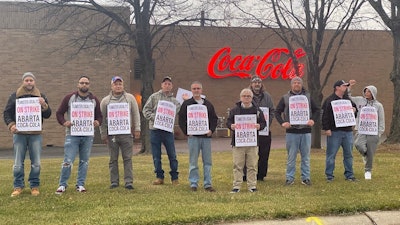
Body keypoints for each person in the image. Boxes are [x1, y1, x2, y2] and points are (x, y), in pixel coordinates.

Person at [3, 72, 52, 197]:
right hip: (19, 134)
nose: (29, 82)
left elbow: (48, 114)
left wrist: (44, 105)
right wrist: (11, 125)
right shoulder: (14, 96)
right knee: (18, 163)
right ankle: (18, 186)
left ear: (34, 82)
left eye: (31, 80)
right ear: (23, 82)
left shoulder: (41, 96)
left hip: (35, 134)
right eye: (26, 80)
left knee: (36, 163)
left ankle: (34, 186)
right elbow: (7, 113)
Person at [55, 75, 103, 194]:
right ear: (78, 85)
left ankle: (80, 184)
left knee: (84, 161)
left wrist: (98, 122)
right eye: (82, 83)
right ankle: (62, 184)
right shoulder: (69, 98)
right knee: (68, 160)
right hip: (72, 134)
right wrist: (64, 122)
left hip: (88, 135)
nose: (84, 85)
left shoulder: (94, 99)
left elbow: (100, 116)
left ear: (89, 85)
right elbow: (59, 113)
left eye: (86, 83)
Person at [275, 76, 319, 186]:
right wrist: (282, 122)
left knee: (306, 157)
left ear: (301, 85)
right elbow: (277, 112)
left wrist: (312, 120)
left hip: (305, 131)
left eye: (298, 83)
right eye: (294, 83)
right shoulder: (285, 98)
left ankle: (306, 178)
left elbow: (317, 110)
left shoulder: (308, 97)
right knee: (291, 157)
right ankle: (289, 178)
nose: (296, 84)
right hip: (291, 132)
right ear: (291, 85)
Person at [100, 76, 141, 189]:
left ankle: (128, 182)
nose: (118, 86)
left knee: (127, 158)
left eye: (120, 84)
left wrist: (137, 128)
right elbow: (102, 119)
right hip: (112, 134)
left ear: (123, 86)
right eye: (115, 84)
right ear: (111, 86)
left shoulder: (130, 98)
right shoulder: (105, 101)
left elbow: (136, 114)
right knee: (113, 159)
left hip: (126, 134)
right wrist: (103, 133)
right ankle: (114, 181)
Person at [178, 81, 218, 192]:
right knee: (193, 161)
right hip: (193, 137)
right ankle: (193, 183)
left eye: (198, 88)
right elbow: (181, 119)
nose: (196, 90)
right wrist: (186, 131)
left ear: (201, 90)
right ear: (191, 90)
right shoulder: (186, 104)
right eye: (194, 88)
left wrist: (211, 130)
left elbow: (214, 119)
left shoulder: (208, 104)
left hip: (206, 137)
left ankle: (208, 184)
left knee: (208, 162)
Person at [143, 76, 181, 185]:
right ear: (161, 85)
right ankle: (159, 177)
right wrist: (155, 117)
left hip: (168, 131)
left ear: (172, 86)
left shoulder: (175, 102)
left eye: (169, 84)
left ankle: (174, 178)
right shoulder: (154, 97)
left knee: (172, 155)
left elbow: (175, 113)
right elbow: (146, 110)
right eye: (165, 83)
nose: (167, 85)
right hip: (155, 130)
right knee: (156, 155)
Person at [226, 88, 266, 193]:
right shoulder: (234, 110)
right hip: (238, 142)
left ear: (252, 98)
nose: (246, 98)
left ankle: (252, 186)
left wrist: (259, 126)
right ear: (240, 98)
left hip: (252, 142)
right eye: (244, 96)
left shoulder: (257, 111)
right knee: (237, 165)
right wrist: (231, 126)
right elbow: (228, 122)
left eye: (248, 96)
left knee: (252, 165)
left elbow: (263, 123)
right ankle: (236, 186)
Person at [348, 80, 385, 180]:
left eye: (368, 91)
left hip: (374, 132)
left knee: (371, 151)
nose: (366, 93)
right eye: (365, 91)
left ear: (373, 93)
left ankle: (368, 170)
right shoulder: (360, 100)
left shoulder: (379, 106)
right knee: (358, 144)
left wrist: (379, 133)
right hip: (361, 130)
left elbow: (381, 120)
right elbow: (348, 97)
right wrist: (350, 87)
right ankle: (365, 154)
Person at [322, 80, 358, 182]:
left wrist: (354, 110)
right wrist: (327, 128)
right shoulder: (329, 100)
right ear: (337, 87)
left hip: (348, 131)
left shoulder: (348, 100)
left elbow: (355, 111)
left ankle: (349, 175)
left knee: (349, 154)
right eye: (344, 86)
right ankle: (329, 176)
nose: (346, 87)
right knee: (331, 154)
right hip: (334, 132)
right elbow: (324, 115)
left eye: (346, 86)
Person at [247, 75, 275, 181]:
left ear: (261, 84)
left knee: (263, 154)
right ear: (251, 84)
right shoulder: (247, 94)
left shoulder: (267, 96)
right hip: (250, 131)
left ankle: (261, 175)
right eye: (255, 82)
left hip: (264, 131)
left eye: (259, 82)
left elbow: (272, 110)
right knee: (249, 154)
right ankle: (247, 174)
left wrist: (268, 122)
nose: (257, 84)